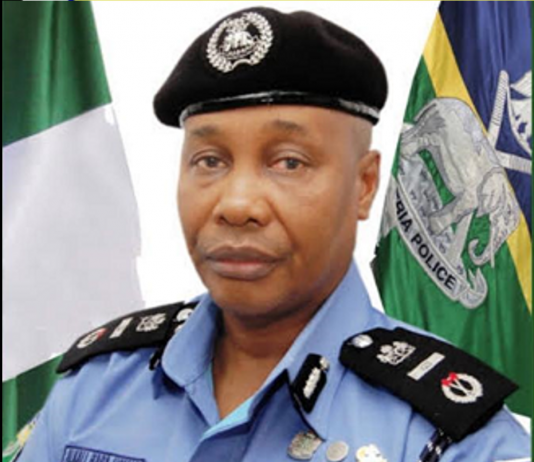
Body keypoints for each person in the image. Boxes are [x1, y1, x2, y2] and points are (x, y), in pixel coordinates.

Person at [17, 7, 530, 462]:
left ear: (364, 185)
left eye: (289, 162)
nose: (237, 204)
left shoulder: (452, 440)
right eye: (210, 160)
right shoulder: (96, 389)